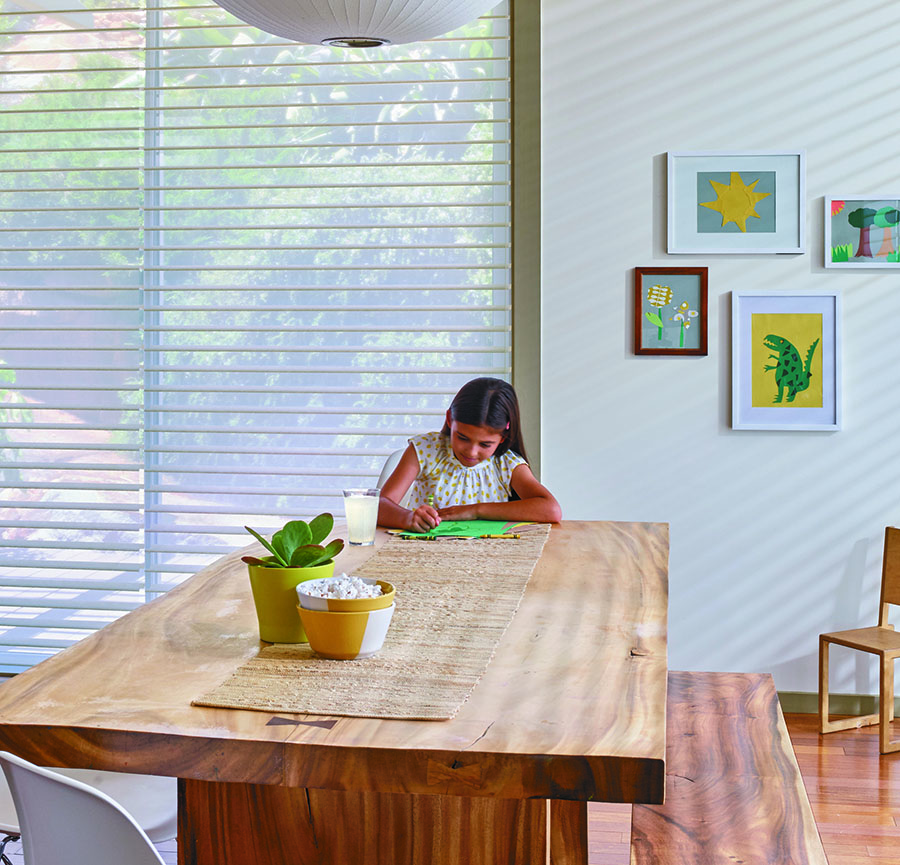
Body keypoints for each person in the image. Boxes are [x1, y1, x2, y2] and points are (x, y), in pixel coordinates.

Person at [378, 377, 561, 532]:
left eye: (485, 444)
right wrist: (408, 518)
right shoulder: (425, 450)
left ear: (503, 438)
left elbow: (551, 509)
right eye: (463, 437)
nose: (471, 451)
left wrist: (475, 510)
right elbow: (378, 506)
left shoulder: (507, 464)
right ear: (450, 420)